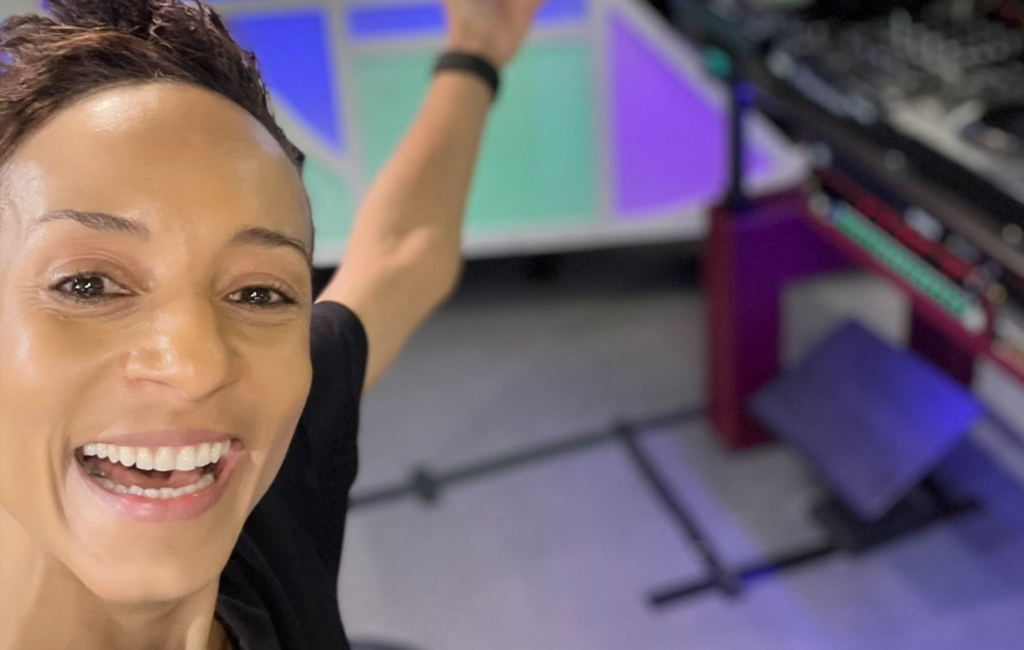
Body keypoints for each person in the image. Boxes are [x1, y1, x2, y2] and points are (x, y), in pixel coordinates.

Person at [0, 0, 543, 647]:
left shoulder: (268, 475)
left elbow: (404, 253)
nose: (198, 366)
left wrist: (477, 48)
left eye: (259, 292)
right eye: (88, 285)